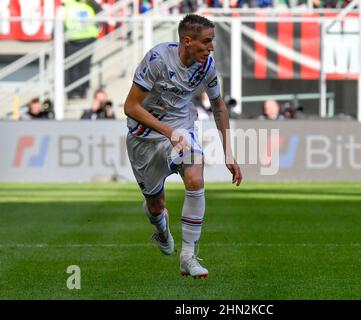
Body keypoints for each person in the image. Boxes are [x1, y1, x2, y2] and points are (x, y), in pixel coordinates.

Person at [123, 14, 242, 278]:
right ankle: (160, 225)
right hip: (144, 137)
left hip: (182, 129)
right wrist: (167, 131)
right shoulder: (157, 60)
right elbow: (130, 107)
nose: (211, 48)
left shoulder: (206, 66)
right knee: (155, 204)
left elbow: (218, 105)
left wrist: (229, 153)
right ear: (187, 41)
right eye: (206, 41)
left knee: (195, 178)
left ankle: (188, 255)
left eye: (212, 41)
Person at [63, 0, 102, 99]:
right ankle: (73, 92)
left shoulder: (90, 3)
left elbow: (101, 11)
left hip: (88, 39)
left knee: (85, 68)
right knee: (73, 68)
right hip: (72, 40)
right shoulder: (68, 3)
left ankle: (83, 91)